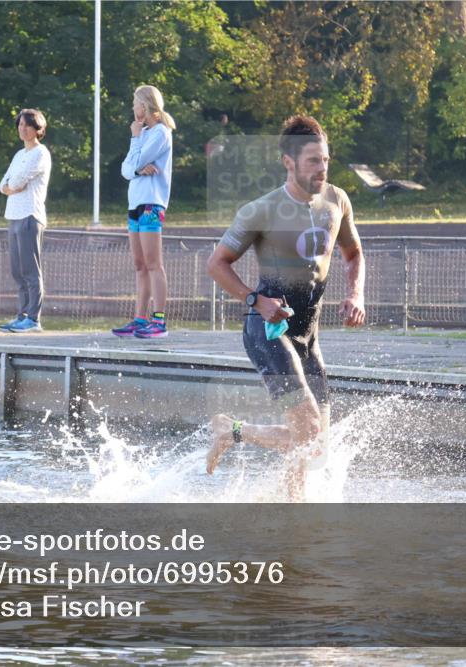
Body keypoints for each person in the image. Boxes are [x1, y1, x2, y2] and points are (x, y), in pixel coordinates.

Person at [204, 115, 365, 500]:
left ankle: (294, 508)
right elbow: (216, 264)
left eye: (326, 160)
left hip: (309, 336)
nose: (322, 168)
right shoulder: (260, 210)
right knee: (307, 432)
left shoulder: (337, 201)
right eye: (313, 161)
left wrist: (356, 294)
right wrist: (254, 299)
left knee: (316, 449)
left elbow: (354, 253)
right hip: (268, 332)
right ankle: (231, 432)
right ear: (288, 162)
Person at [112, 85, 175, 339]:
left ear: (145, 105)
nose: (132, 107)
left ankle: (158, 320)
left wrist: (135, 146)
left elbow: (135, 161)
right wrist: (137, 169)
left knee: (153, 263)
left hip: (151, 202)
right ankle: (140, 318)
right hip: (134, 203)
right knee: (139, 264)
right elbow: (126, 169)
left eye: (135, 103)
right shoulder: (142, 133)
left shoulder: (160, 133)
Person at [0, 108, 52, 333]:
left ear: (37, 129)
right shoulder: (19, 155)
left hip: (30, 215)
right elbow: (4, 184)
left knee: (31, 270)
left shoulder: (40, 153)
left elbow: (17, 181)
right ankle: (21, 315)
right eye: (20, 125)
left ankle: (33, 318)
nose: (23, 129)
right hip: (13, 215)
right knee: (17, 270)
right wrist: (9, 187)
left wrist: (11, 187)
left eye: (27, 125)